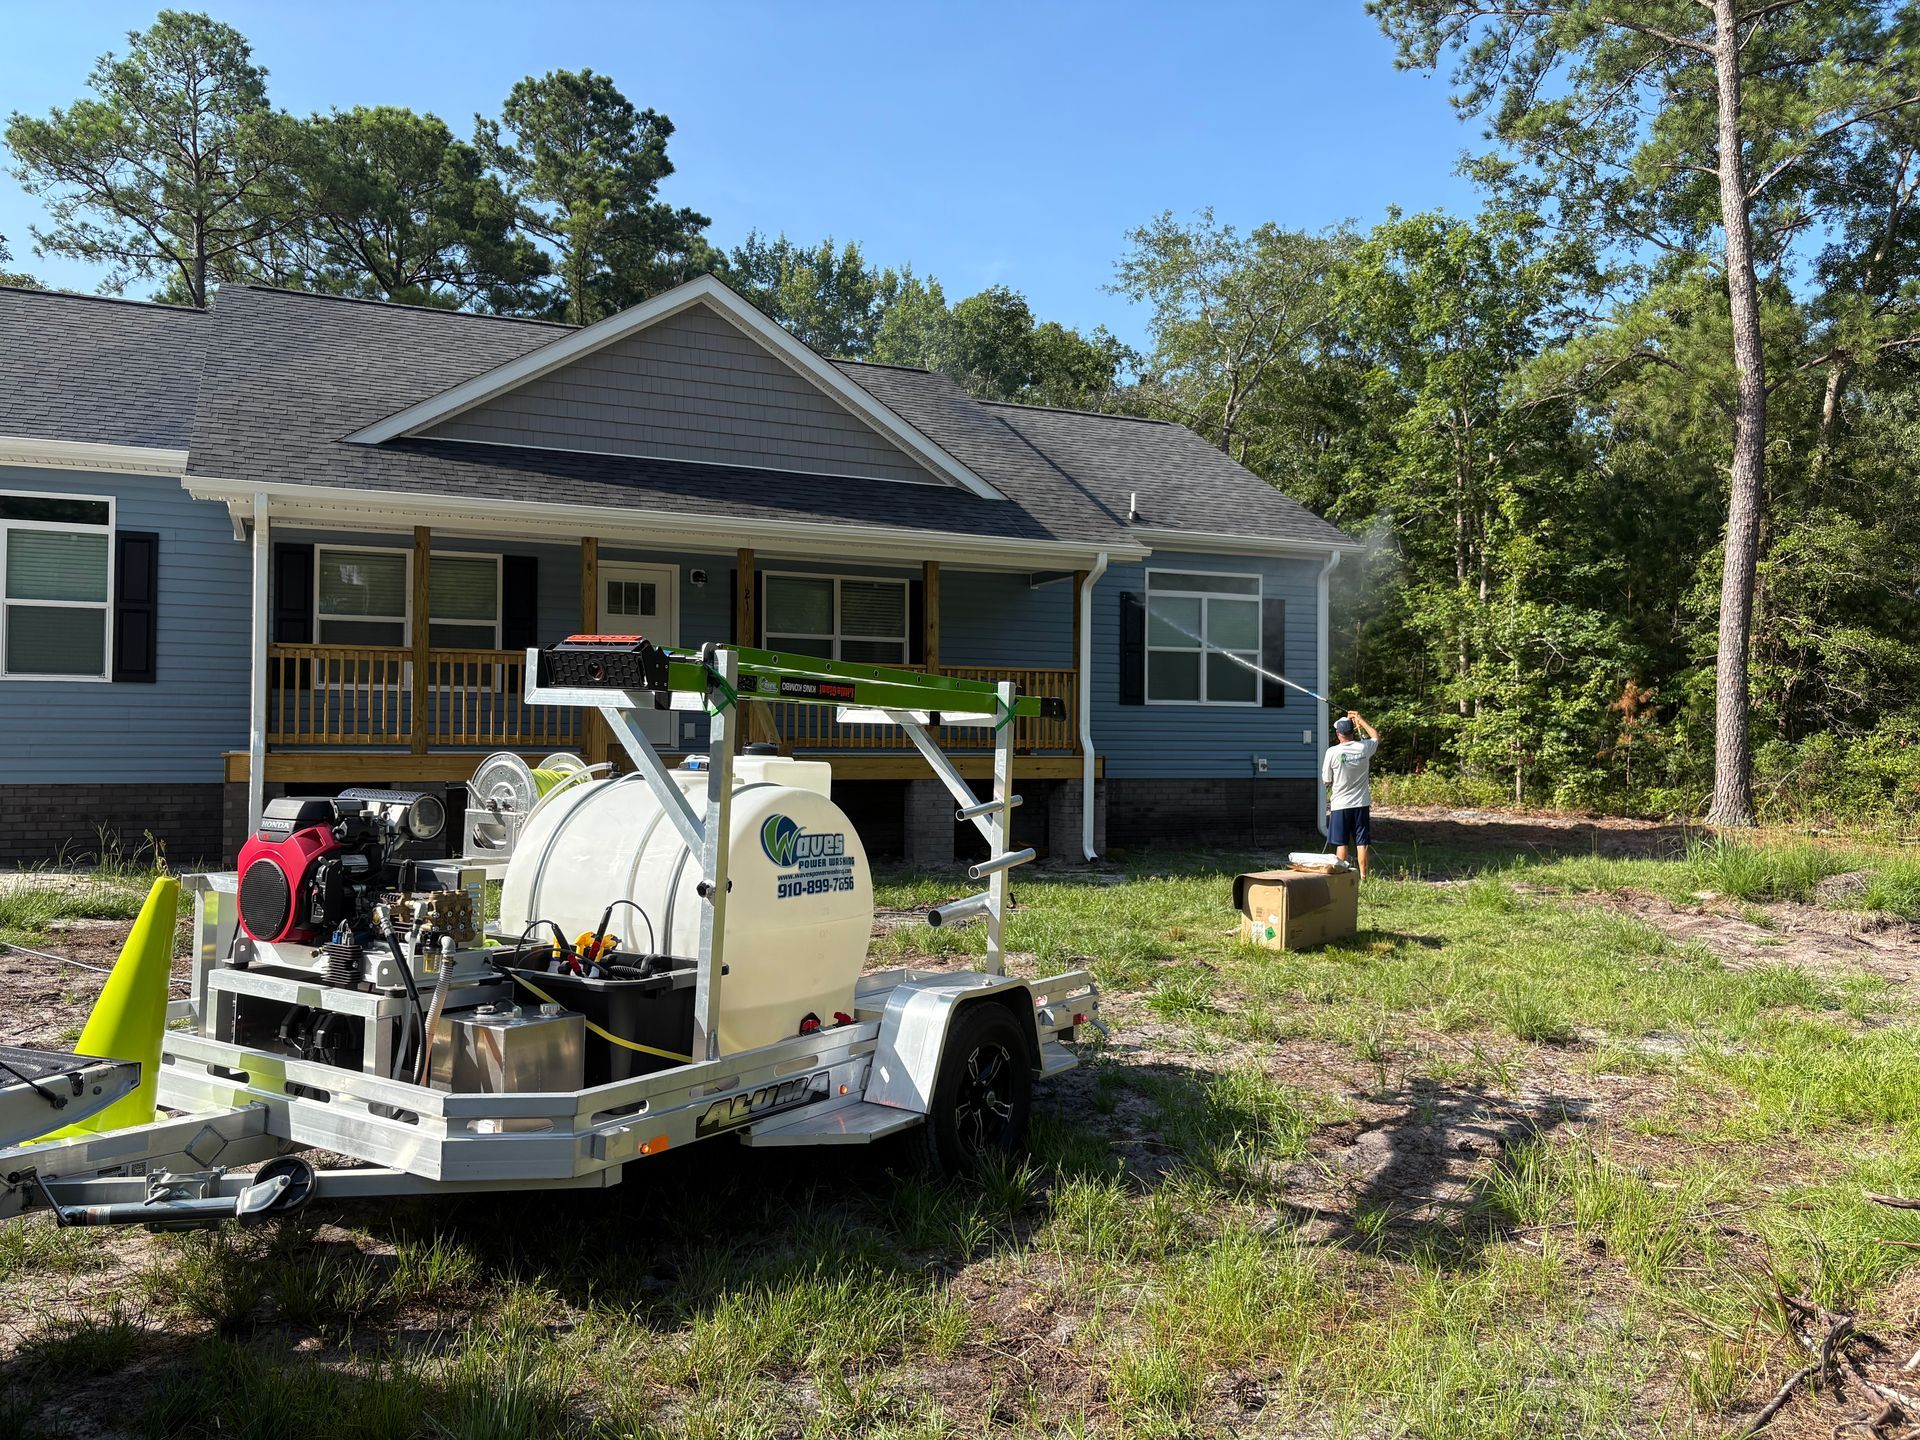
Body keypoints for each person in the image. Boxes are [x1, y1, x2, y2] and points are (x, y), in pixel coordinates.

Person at [1322, 710, 1379, 877]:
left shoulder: (1332, 752)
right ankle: (1363, 876)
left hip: (1340, 804)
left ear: (1338, 734)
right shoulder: (1364, 747)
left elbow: (1326, 779)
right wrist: (1361, 720)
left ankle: (1342, 875)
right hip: (1361, 803)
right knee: (1362, 842)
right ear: (1353, 731)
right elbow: (1375, 736)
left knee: (1341, 842)